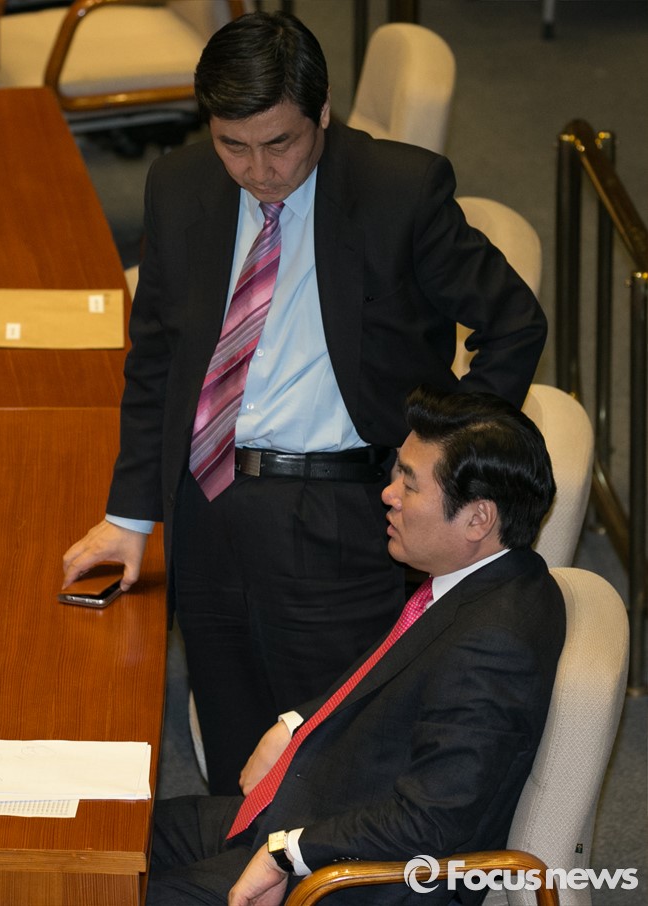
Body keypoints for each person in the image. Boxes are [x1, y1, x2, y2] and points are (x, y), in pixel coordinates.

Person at [62, 11, 548, 795]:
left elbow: (514, 323)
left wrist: (445, 459)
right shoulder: (181, 185)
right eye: (234, 145)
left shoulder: (398, 191)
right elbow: (157, 358)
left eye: (280, 143)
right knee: (235, 757)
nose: (259, 170)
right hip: (207, 505)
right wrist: (130, 517)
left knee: (324, 765)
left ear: (322, 112)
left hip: (341, 515)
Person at [145, 384, 566, 906]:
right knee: (114, 832)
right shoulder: (483, 580)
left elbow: (431, 821)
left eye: (409, 483)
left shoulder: (494, 645)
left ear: (478, 518)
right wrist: (295, 724)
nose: (389, 494)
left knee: (109, 887)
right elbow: (380, 681)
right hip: (310, 809)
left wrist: (289, 853)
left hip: (350, 879)